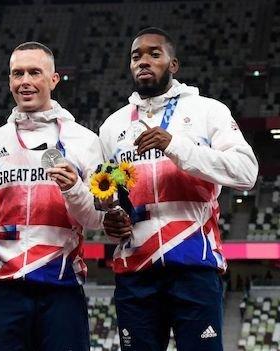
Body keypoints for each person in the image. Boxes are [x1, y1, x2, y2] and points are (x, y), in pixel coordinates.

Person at [99, 27, 258, 351]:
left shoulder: (207, 110)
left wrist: (177, 146)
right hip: (135, 269)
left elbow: (247, 172)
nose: (144, 61)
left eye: (154, 54)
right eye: (136, 56)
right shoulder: (112, 126)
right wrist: (108, 219)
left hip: (193, 264)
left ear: (173, 65)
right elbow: (107, 195)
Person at [0, 42, 106, 351]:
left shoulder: (84, 141)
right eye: (17, 74)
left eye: (34, 72)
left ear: (53, 79)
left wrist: (74, 189)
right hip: (4, 287)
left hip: (61, 282)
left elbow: (96, 219)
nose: (24, 81)